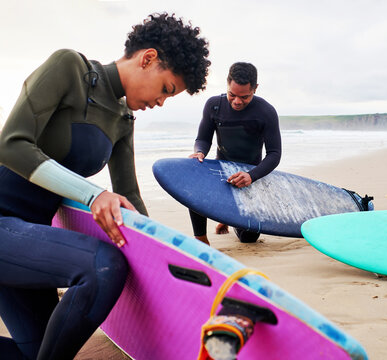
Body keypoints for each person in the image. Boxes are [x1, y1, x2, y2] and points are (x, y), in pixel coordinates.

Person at [0, 12, 210, 359]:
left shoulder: (124, 120)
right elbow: (11, 145)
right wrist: (92, 193)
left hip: (27, 237)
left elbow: (129, 197)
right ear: (148, 58)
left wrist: (170, 256)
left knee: (37, 352)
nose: (161, 102)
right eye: (166, 89)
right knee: (102, 266)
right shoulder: (69, 68)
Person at [188, 62, 281, 245]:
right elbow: (203, 139)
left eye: (245, 96)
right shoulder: (214, 105)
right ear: (227, 84)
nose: (237, 101)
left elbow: (274, 153)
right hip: (221, 171)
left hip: (249, 175)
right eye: (232, 95)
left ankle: (227, 216)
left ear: (255, 88)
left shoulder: (266, 112)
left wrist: (251, 176)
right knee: (195, 180)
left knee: (249, 238)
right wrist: (199, 152)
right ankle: (201, 240)